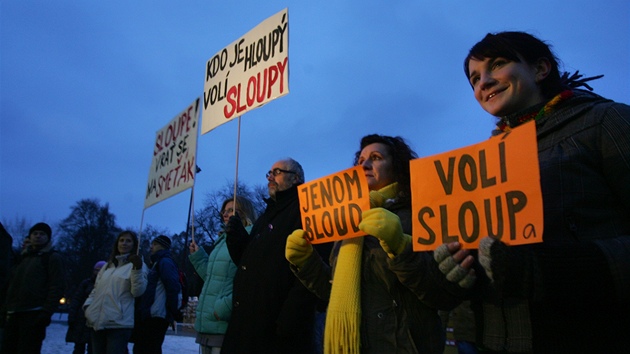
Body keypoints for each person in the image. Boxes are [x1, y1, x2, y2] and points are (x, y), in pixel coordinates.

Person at [463, 31, 630, 353]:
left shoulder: (605, 121)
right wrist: (458, 268)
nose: (483, 82)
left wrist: (549, 270)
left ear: (541, 69)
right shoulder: (483, 163)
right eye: (474, 78)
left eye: (497, 65)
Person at [285, 135, 476, 354]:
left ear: (397, 167)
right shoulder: (346, 223)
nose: (365, 165)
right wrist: (306, 262)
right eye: (361, 160)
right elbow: (333, 291)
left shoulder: (419, 214)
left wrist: (401, 247)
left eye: (375, 158)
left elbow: (441, 294)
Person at [222, 158, 331, 353]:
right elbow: (249, 263)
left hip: (276, 330)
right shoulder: (267, 215)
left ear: (296, 178)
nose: (270, 177)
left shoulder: (308, 210)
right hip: (248, 324)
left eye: (277, 172)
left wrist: (290, 319)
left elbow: (312, 270)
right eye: (269, 173)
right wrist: (236, 238)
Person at [188, 195, 257, 354]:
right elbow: (213, 278)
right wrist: (198, 257)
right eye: (224, 211)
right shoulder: (222, 240)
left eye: (231, 210)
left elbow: (250, 278)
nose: (225, 214)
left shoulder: (249, 237)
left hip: (225, 322)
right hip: (208, 324)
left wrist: (224, 307)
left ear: (245, 212)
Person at [1, 222, 65, 353]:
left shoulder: (52, 258)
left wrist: (46, 312)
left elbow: (57, 286)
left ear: (48, 237)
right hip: (14, 312)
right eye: (35, 233)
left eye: (42, 234)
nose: (38, 236)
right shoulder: (22, 258)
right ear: (29, 237)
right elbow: (11, 285)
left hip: (34, 313)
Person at [83, 231, 147, 354]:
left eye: (128, 241)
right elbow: (95, 290)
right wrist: (88, 307)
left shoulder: (137, 265)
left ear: (134, 245)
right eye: (121, 240)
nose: (124, 243)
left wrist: (137, 269)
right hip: (97, 321)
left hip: (119, 323)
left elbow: (137, 292)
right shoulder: (107, 266)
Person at [133, 235, 182, 354]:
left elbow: (172, 286)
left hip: (157, 314)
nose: (151, 247)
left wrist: (172, 310)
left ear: (162, 246)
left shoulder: (165, 262)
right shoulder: (157, 262)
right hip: (151, 313)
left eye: (154, 244)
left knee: (149, 348)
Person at [66, 260, 106, 354]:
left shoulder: (105, 285)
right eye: (96, 270)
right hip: (81, 319)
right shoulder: (86, 283)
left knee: (93, 347)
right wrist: (72, 315)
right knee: (79, 347)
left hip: (94, 319)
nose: (98, 273)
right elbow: (77, 299)